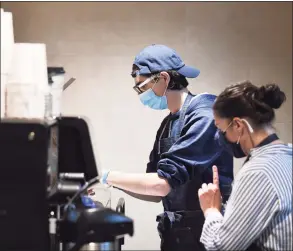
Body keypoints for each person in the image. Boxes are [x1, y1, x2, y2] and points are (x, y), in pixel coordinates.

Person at [100, 44, 234, 251]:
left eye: (141, 87)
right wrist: (108, 184)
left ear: (163, 79)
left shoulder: (205, 114)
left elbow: (161, 184)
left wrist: (106, 175)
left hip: (206, 234)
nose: (140, 95)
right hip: (176, 235)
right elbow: (155, 192)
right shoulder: (168, 124)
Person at [198, 81, 292, 251]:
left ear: (238, 125)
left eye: (222, 130)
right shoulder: (288, 156)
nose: (221, 137)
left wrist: (211, 210)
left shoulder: (258, 172)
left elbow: (222, 247)